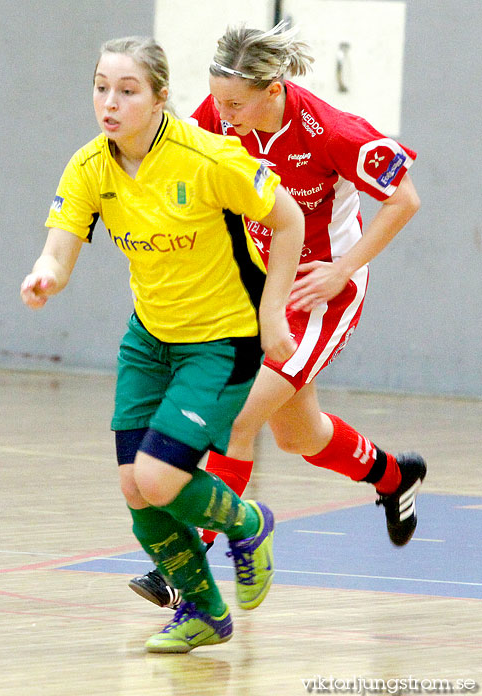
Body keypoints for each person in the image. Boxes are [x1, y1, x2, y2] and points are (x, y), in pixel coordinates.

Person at [21, 36, 305, 653]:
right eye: (101, 88)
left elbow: (289, 220)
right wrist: (46, 274)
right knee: (134, 488)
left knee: (156, 477)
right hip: (149, 341)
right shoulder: (90, 166)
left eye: (127, 91)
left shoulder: (208, 157)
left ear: (159, 98)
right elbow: (60, 246)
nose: (110, 103)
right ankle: (204, 612)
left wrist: (273, 311)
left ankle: (250, 522)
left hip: (222, 342)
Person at [129, 22, 425, 610]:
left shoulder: (332, 132)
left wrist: (343, 270)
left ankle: (184, 567)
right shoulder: (221, 119)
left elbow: (405, 199)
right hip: (265, 289)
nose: (221, 113)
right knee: (297, 435)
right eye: (216, 99)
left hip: (321, 294)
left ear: (274, 89)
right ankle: (395, 477)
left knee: (236, 418)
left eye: (235, 103)